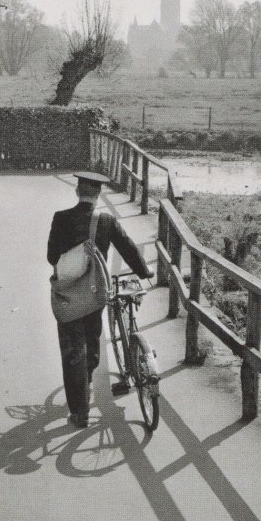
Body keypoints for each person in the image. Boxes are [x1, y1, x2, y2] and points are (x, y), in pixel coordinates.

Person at [47, 171, 153, 428]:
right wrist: (144, 271)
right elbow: (128, 247)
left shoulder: (61, 219)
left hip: (69, 295)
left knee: (72, 349)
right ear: (99, 195)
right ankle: (89, 378)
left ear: (77, 192)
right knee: (92, 340)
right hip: (95, 294)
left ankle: (80, 412)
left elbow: (51, 257)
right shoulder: (106, 221)